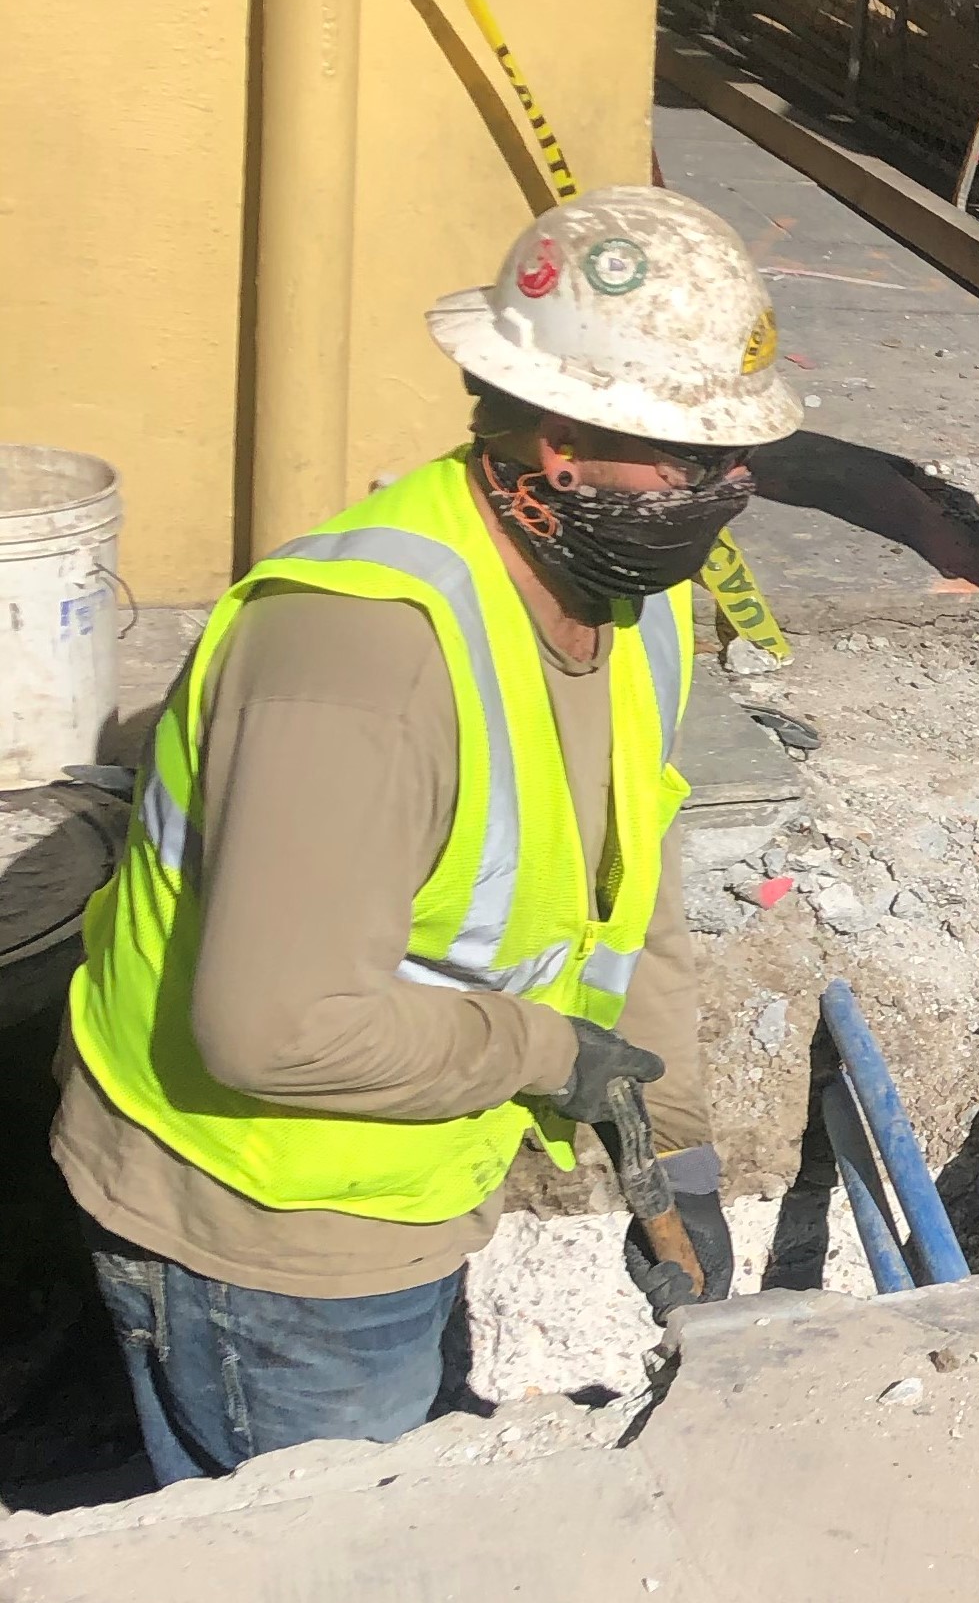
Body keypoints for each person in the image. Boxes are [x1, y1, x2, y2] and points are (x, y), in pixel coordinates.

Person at [56, 185, 802, 1483]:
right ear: (559, 441)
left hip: (405, 1181)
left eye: (736, 456)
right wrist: (547, 1052)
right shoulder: (359, 653)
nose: (724, 485)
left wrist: (672, 1153)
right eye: (689, 453)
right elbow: (274, 1024)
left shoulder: (637, 609)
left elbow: (635, 914)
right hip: (266, 1229)